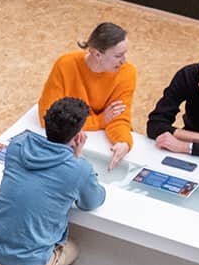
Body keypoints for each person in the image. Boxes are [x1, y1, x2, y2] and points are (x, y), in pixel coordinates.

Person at [0, 95, 107, 265]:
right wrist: (77, 157)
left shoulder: (17, 145)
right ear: (78, 136)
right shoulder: (78, 168)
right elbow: (92, 201)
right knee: (73, 247)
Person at [39, 22, 136, 169]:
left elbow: (119, 118)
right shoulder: (65, 65)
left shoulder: (127, 73)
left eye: (125, 53)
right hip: (67, 144)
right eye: (118, 55)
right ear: (97, 54)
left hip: (89, 142)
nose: (124, 60)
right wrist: (100, 121)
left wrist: (123, 142)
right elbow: (48, 117)